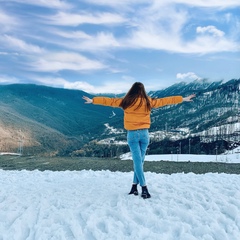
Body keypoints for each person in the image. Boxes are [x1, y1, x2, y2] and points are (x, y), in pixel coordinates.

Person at [82, 82, 195, 199]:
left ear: (132, 90)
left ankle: (144, 188)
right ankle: (134, 186)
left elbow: (109, 101)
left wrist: (93, 100)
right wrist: (183, 99)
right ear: (143, 91)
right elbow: (166, 100)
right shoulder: (148, 102)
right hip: (145, 134)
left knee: (137, 162)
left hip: (132, 135)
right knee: (139, 162)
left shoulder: (126, 102)